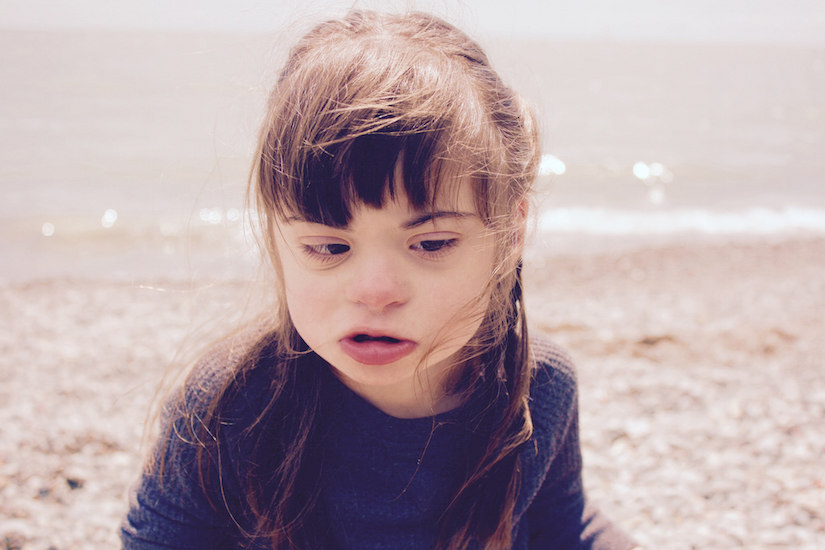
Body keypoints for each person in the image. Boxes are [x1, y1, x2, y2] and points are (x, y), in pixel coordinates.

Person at [121, 10, 639, 550]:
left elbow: (565, 522)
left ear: (511, 233)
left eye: (432, 244)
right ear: (276, 238)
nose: (374, 289)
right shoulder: (234, 405)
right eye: (327, 246)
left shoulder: (538, 389)